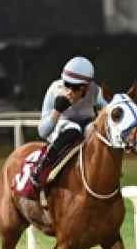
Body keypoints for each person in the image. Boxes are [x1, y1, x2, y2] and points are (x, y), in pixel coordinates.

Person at [30, 56, 108, 193]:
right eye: (67, 84)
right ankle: (42, 168)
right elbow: (42, 131)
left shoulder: (96, 91)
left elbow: (112, 110)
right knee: (73, 129)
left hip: (85, 127)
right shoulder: (54, 89)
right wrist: (56, 111)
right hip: (61, 129)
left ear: (87, 87)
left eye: (76, 87)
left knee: (92, 129)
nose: (70, 91)